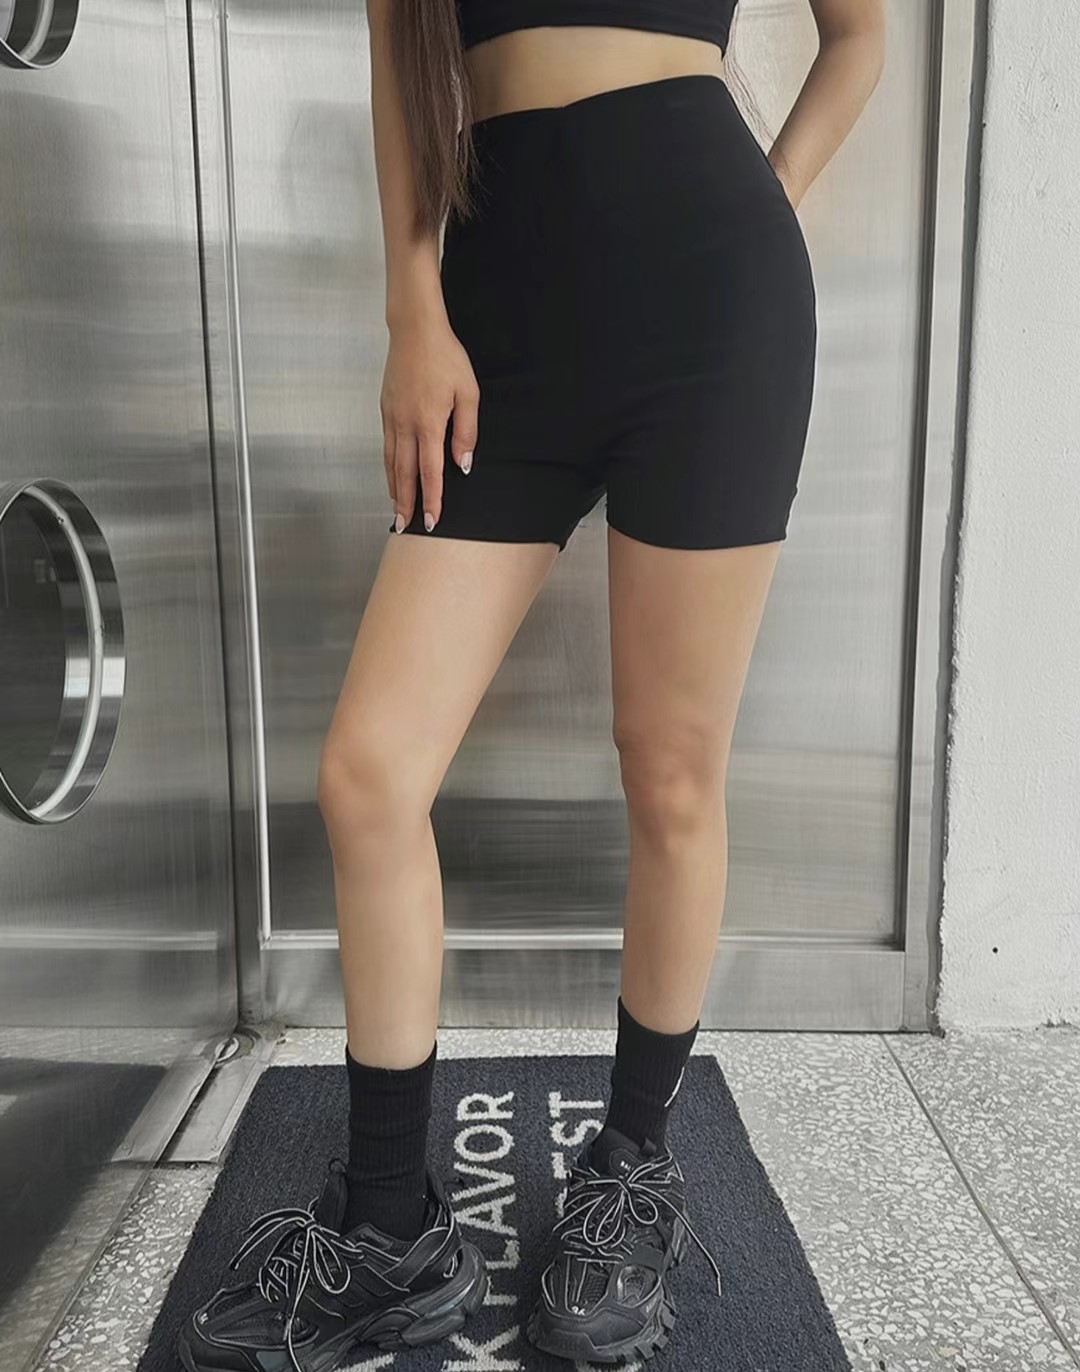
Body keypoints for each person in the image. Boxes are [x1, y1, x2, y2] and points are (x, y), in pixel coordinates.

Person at [178, 1, 885, 1367]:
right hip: (497, 308)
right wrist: (412, 303)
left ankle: (629, 1172)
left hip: (712, 290)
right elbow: (400, 51)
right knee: (370, 774)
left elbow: (858, 36)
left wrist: (770, 201)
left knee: (669, 768)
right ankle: (389, 1225)